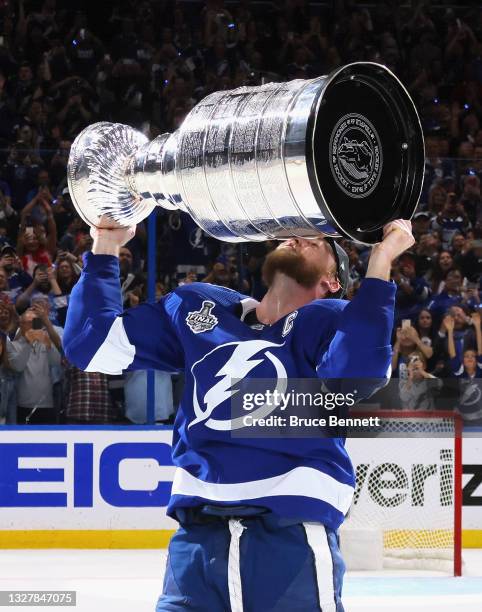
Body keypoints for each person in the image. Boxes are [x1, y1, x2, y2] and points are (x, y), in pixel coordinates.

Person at [64, 218, 414, 611]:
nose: (297, 236)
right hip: (197, 543)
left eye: (317, 240)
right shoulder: (201, 310)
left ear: (332, 280)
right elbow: (90, 343)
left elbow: (356, 373)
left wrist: (381, 260)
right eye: (292, 233)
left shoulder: (332, 321)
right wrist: (106, 245)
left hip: (288, 538)